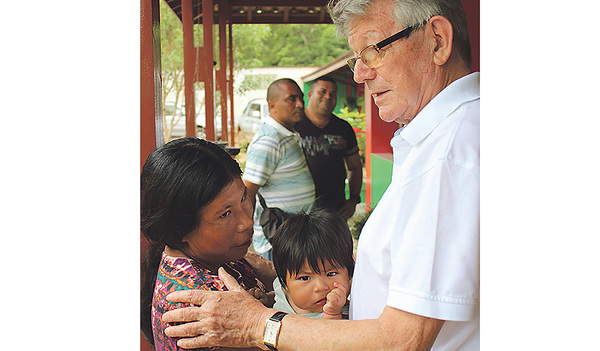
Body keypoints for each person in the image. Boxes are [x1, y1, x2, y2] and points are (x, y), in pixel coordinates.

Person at [161, 0, 480, 349]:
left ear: (437, 40)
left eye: (372, 51)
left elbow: (400, 342)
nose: (360, 74)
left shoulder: (450, 155)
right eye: (356, 59)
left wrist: (257, 323)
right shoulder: (444, 140)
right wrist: (294, 275)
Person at [140, 137, 272, 351]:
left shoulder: (221, 259)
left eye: (244, 198)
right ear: (180, 227)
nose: (246, 222)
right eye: (225, 214)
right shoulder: (205, 303)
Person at [242, 78, 316, 261]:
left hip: (295, 237)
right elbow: (246, 192)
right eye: (291, 99)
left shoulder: (287, 134)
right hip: (277, 241)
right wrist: (245, 232)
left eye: (300, 98)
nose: (299, 104)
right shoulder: (268, 140)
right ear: (272, 105)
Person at [295, 76, 364, 219]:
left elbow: (355, 167)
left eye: (333, 93)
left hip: (335, 211)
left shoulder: (343, 128)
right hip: (300, 211)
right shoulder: (294, 125)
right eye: (323, 91)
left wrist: (353, 200)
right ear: (310, 95)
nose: (328, 96)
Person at [271, 208, 354, 319]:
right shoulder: (281, 286)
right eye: (305, 278)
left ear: (350, 273)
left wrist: (333, 313)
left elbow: (330, 332)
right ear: (285, 284)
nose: (320, 287)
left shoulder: (345, 312)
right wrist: (266, 298)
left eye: (331, 274)